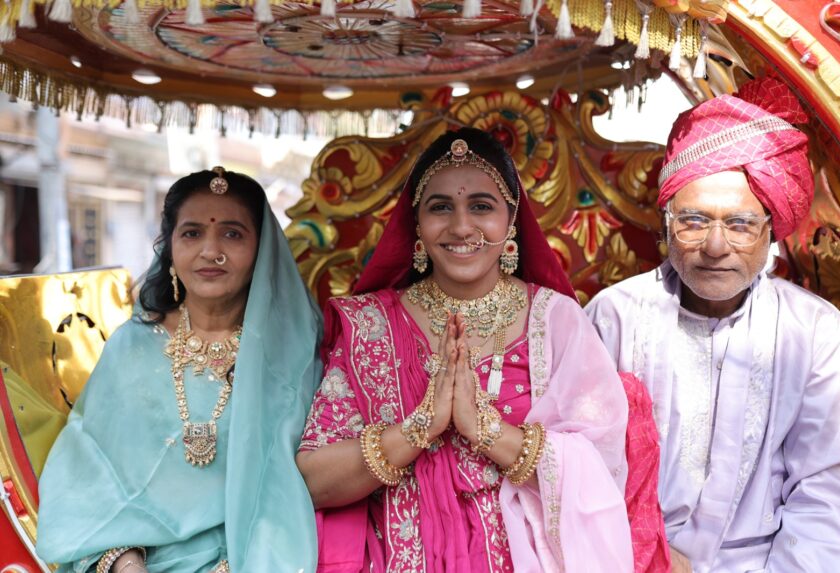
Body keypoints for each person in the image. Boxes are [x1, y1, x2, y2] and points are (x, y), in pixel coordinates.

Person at [296, 127, 668, 572]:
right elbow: (314, 480)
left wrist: (484, 430)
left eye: (481, 206)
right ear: (417, 225)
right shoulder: (369, 324)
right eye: (440, 207)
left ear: (511, 221)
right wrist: (420, 428)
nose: (460, 226)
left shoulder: (554, 319)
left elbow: (600, 476)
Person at [585, 76, 840, 572]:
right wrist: (646, 554)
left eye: (739, 224)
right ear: (666, 224)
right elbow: (580, 468)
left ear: (771, 231)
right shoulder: (614, 316)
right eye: (693, 221)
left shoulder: (815, 330)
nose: (715, 246)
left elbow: (826, 489)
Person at [36, 168, 322, 572]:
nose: (211, 250)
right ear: (169, 247)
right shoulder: (132, 348)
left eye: (232, 234)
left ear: (262, 249)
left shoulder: (292, 357)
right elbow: (87, 473)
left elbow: (289, 491)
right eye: (192, 233)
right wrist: (123, 561)